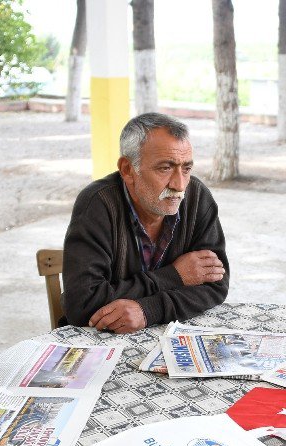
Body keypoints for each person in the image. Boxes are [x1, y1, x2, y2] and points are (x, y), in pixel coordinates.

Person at [62, 112, 229, 332]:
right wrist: (175, 276)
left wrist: (149, 310)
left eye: (186, 168)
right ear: (128, 170)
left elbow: (215, 285)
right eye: (165, 168)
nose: (180, 185)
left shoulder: (197, 197)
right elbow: (82, 305)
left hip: (172, 334)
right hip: (101, 341)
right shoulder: (98, 204)